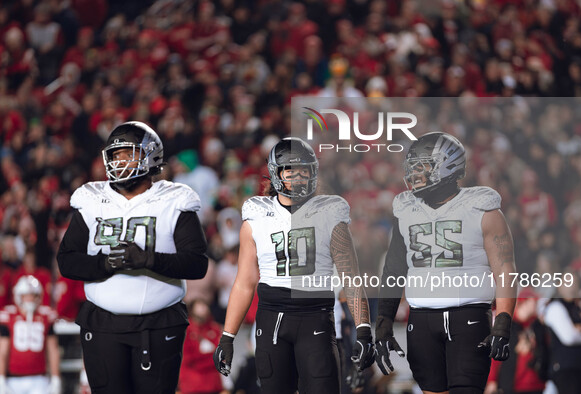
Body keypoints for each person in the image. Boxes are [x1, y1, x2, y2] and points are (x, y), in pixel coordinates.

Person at [56, 121, 209, 394]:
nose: (120, 161)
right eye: (115, 155)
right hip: (102, 323)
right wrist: (104, 264)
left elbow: (197, 264)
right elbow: (67, 260)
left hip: (159, 324)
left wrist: (149, 260)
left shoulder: (174, 199)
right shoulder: (91, 199)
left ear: (151, 156)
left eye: (128, 153)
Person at [213, 137, 375, 393]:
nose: (298, 176)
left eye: (304, 170)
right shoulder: (256, 216)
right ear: (276, 173)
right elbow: (244, 282)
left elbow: (351, 278)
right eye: (291, 170)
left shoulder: (330, 213)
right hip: (272, 319)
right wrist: (228, 336)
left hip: (316, 317)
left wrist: (363, 330)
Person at [374, 132, 517, 393]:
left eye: (422, 165)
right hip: (421, 321)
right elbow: (394, 269)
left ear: (446, 164)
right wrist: (384, 320)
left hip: (468, 318)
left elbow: (505, 268)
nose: (415, 172)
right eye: (413, 166)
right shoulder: (406, 209)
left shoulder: (481, 207)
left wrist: (503, 321)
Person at [0, 275, 61, 394]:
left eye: (33, 295)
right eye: (26, 295)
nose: (30, 299)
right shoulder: (9, 316)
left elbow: (53, 350)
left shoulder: (45, 315)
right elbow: (2, 351)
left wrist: (55, 378)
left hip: (39, 379)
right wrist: (1, 378)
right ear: (18, 296)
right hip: (13, 379)